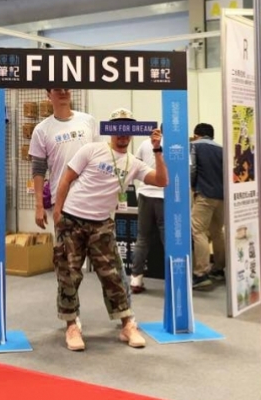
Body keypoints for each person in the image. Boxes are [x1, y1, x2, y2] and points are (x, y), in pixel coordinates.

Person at [53, 108, 168, 351]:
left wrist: (157, 150)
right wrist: (57, 212)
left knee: (113, 275)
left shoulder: (133, 163)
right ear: (111, 129)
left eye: (127, 128)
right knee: (68, 274)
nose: (122, 133)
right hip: (72, 219)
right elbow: (66, 178)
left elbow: (161, 181)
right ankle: (72, 325)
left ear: (132, 131)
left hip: (102, 224)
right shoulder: (92, 150)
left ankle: (127, 324)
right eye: (118, 127)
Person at [30, 88, 131, 327]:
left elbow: (102, 156)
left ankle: (126, 319)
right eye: (57, 89)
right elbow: (38, 169)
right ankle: (71, 322)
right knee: (67, 268)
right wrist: (39, 205)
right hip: (64, 206)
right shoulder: (42, 129)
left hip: (94, 204)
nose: (63, 92)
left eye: (67, 87)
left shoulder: (88, 121)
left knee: (111, 266)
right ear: (49, 95)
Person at [190, 123, 225, 289]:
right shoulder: (221, 149)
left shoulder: (194, 146)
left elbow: (192, 169)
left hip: (204, 194)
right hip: (222, 196)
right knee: (217, 232)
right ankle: (219, 269)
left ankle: (201, 273)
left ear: (197, 134)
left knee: (198, 231)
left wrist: (192, 186)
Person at [129, 137, 165, 294]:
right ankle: (174, 278)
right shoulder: (177, 144)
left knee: (142, 238)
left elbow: (134, 165)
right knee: (168, 238)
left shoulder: (144, 143)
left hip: (144, 194)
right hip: (166, 196)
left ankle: (136, 279)